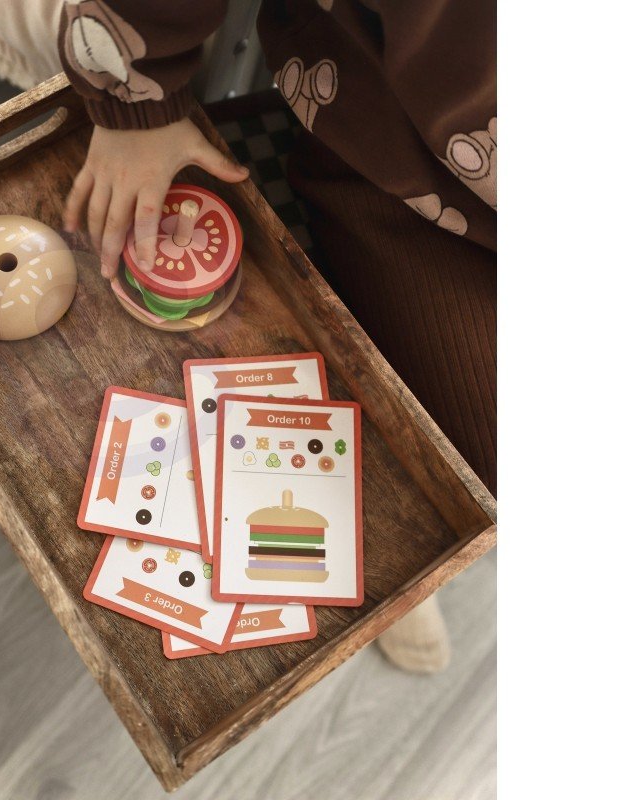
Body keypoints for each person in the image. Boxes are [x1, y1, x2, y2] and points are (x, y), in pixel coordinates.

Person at [57, 0, 496, 673]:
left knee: (467, 489)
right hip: (406, 175)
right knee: (464, 458)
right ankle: (373, 537)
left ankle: (371, 549)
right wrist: (138, 101)